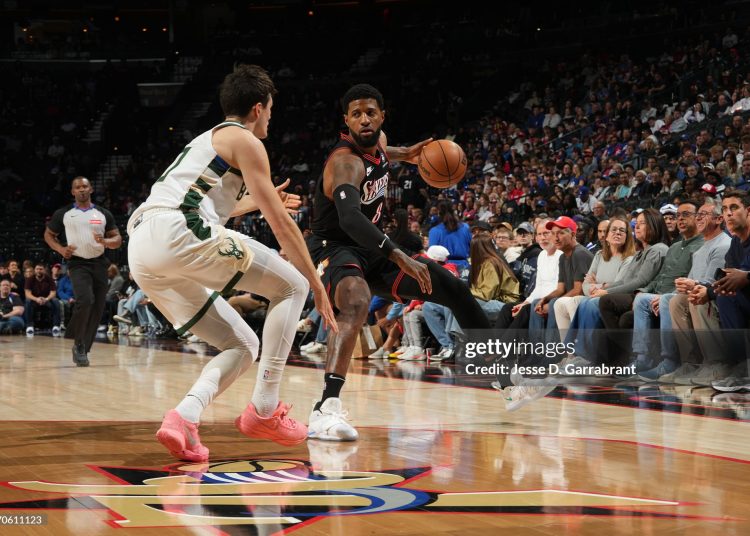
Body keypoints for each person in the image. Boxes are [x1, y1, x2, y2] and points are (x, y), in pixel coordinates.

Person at [126, 64, 337, 463]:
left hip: (144, 245)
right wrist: (317, 283)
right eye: (271, 109)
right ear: (258, 108)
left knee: (242, 344)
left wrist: (257, 200)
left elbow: (205, 206)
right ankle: (264, 409)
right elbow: (282, 226)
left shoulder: (207, 140)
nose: (271, 117)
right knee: (294, 286)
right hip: (177, 230)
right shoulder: (247, 141)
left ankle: (184, 417)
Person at [307, 83, 490, 441]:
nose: (364, 119)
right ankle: (326, 408)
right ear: (345, 120)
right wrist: (399, 254)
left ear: (381, 116)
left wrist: (406, 153)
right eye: (356, 114)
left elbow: (383, 150)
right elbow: (349, 218)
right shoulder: (344, 163)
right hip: (334, 247)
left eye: (370, 113)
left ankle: (507, 376)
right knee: (357, 301)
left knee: (452, 288)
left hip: (372, 246)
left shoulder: (379, 142)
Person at [44, 177, 122, 366]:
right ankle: (77, 342)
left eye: (85, 186)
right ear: (72, 192)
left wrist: (105, 242)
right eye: (77, 187)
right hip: (77, 264)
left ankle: (83, 349)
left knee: (97, 307)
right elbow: (48, 235)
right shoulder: (64, 213)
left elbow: (117, 239)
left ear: (91, 189)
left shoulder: (103, 213)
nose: (81, 190)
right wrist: (61, 250)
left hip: (100, 263)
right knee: (86, 300)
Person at [24, 263, 61, 336]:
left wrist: (46, 299)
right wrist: (36, 299)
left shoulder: (49, 279)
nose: (39, 271)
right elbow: (27, 294)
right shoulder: (30, 279)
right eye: (37, 269)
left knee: (56, 301)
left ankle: (56, 325)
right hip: (34, 300)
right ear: (34, 270)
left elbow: (53, 292)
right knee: (27, 301)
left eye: (41, 269)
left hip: (46, 300)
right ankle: (29, 326)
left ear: (44, 270)